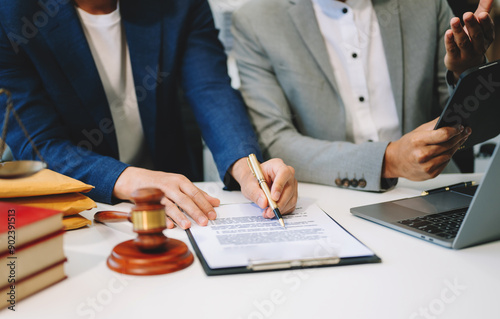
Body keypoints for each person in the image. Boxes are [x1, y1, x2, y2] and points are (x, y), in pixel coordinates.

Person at [0, 0, 298, 229]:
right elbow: (38, 144)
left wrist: (244, 165)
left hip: (174, 209)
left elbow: (211, 87)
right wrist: (126, 179)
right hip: (76, 210)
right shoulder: (10, 16)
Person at [231, 0, 495, 191]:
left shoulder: (426, 5)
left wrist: (467, 76)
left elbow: (469, 126)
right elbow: (275, 141)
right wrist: (388, 160)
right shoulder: (256, 21)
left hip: (435, 189)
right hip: (329, 197)